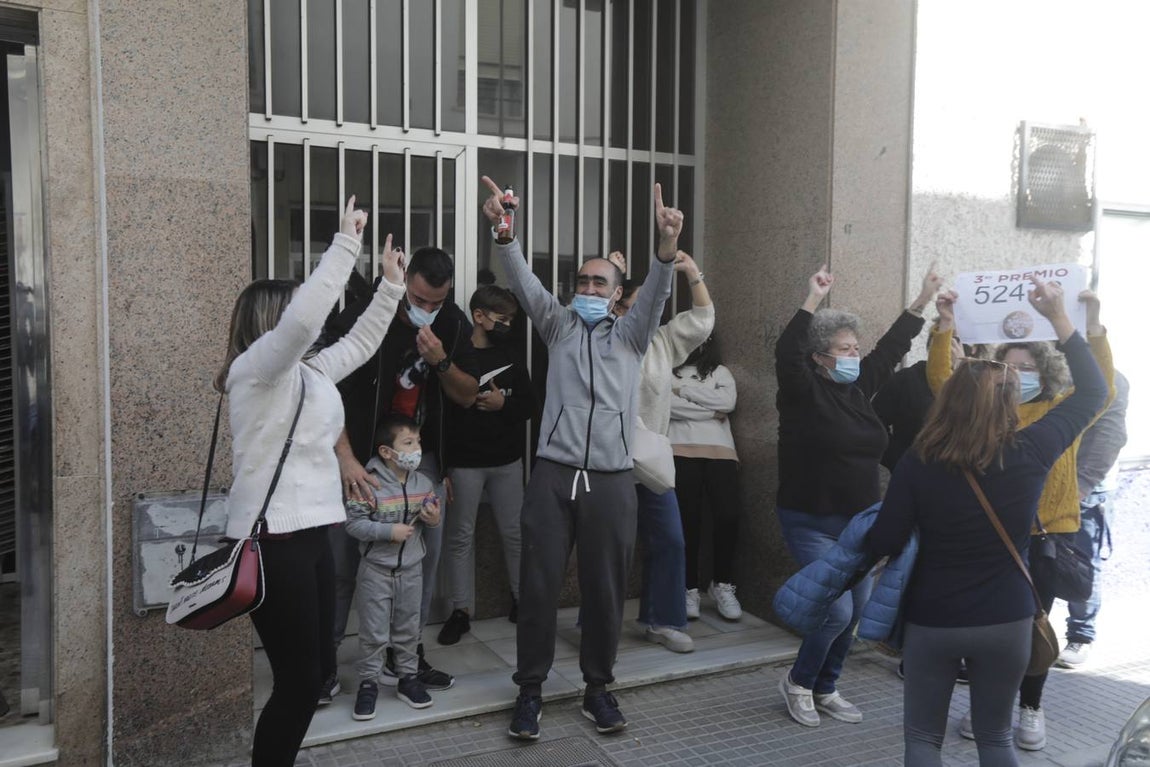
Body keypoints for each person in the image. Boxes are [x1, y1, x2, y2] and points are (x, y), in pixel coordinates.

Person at [867, 276, 1108, 767]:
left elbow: (885, 538)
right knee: (996, 738)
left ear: (949, 400)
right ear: (1010, 405)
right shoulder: (1033, 448)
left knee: (922, 739)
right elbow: (1093, 392)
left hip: (934, 616)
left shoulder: (920, 459)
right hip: (1008, 616)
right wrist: (1062, 318)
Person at [481, 175, 680, 740]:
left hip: (613, 482)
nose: (589, 287)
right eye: (583, 280)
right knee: (539, 585)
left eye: (600, 282)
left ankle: (599, 689)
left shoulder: (632, 336)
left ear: (618, 294)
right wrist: (504, 231)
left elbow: (659, 293)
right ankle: (530, 691)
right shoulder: (559, 326)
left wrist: (664, 249)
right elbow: (522, 280)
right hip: (553, 475)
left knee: (605, 590)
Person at [217, 198, 404, 766]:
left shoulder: (305, 374)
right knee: (299, 684)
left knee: (316, 672)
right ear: (271, 321)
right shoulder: (256, 371)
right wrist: (345, 245)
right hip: (273, 542)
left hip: (313, 535)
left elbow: (361, 344)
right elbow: (305, 322)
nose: (310, 315)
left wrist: (391, 289)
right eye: (295, 306)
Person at [928, 286, 1114, 750]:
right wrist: (945, 324)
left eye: (1028, 368)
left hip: (1049, 536)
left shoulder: (1060, 411)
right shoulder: (985, 412)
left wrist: (1091, 327)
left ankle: (1030, 707)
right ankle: (989, 707)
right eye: (1010, 367)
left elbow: (1101, 388)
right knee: (992, 628)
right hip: (994, 538)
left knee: (1035, 628)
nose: (1018, 376)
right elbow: (940, 382)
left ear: (1045, 373)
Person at [774, 262, 941, 728]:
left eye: (854, 347)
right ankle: (798, 682)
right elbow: (787, 350)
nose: (854, 354)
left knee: (856, 614)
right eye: (844, 349)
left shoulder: (859, 388)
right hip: (810, 520)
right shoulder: (801, 391)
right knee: (837, 609)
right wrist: (812, 297)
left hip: (859, 523)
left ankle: (826, 687)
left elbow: (891, 348)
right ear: (820, 357)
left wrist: (922, 298)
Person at [326, 243, 480, 696]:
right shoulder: (365, 313)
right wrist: (346, 458)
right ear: (404, 281)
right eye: (418, 300)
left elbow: (467, 393)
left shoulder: (450, 322)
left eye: (437, 301)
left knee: (419, 563)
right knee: (343, 563)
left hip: (420, 458)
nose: (427, 310)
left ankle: (405, 655)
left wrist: (441, 361)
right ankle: (325, 661)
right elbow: (324, 388)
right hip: (359, 452)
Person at [613, 249, 715, 652]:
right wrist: (610, 272)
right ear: (619, 304)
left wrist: (693, 272)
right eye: (638, 305)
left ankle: (663, 620)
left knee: (670, 539)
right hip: (606, 460)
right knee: (609, 545)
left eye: (654, 306)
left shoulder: (663, 341)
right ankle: (597, 620)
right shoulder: (604, 333)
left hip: (651, 460)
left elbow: (703, 321)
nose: (646, 314)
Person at [437, 285, 538, 645]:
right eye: (502, 319)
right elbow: (442, 415)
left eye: (511, 319)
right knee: (459, 536)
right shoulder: (456, 354)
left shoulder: (512, 352)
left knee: (515, 532)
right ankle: (461, 611)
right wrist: (444, 467)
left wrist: (502, 406)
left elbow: (528, 406)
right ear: (478, 316)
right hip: (464, 463)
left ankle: (522, 601)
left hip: (507, 461)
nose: (508, 325)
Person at [346, 414, 442, 718]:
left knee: (408, 628)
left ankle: (408, 679)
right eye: (408, 443)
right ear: (387, 451)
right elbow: (353, 524)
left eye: (418, 442)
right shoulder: (368, 483)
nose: (416, 449)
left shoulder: (423, 482)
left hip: (412, 570)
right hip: (376, 571)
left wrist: (433, 518)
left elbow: (434, 513)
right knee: (374, 632)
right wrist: (388, 532)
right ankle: (369, 684)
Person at [669, 333, 744, 621]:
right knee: (688, 520)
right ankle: (689, 588)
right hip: (678, 450)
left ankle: (722, 584)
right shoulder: (665, 372)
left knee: (728, 516)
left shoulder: (720, 372)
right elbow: (664, 405)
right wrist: (710, 410)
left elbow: (728, 403)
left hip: (721, 452)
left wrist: (684, 392)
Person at [1057, 369, 1129, 668]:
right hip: (1048, 482)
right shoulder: (1050, 369)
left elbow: (1110, 438)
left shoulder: (1109, 378)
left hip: (1085, 489)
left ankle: (1081, 635)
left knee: (1081, 561)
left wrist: (1083, 486)